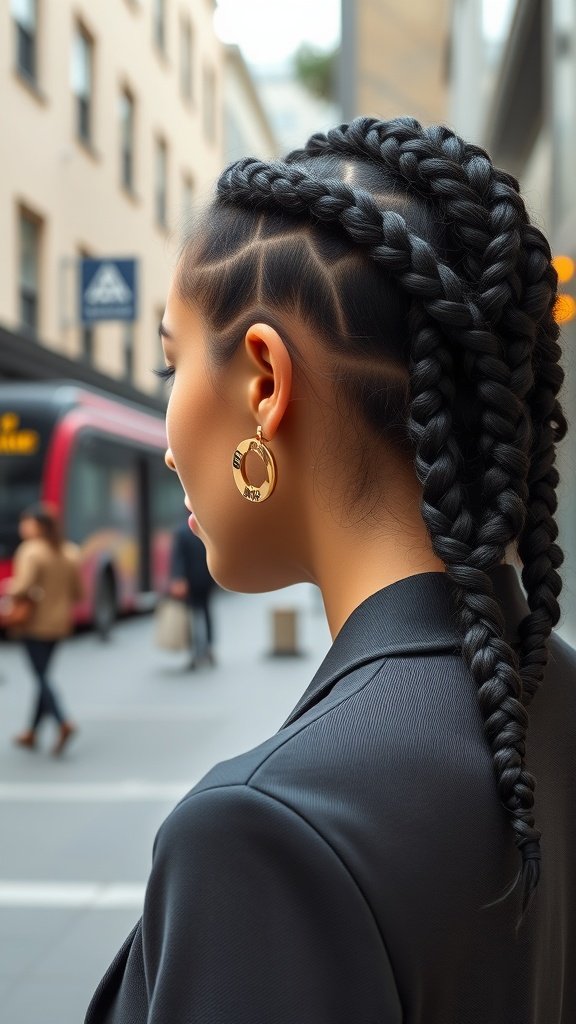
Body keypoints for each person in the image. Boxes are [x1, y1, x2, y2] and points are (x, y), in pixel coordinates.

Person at [86, 117, 576, 1023]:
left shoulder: (263, 834)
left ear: (265, 383)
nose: (164, 443)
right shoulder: (558, 693)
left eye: (169, 363)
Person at [6, 503, 82, 755]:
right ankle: (32, 732)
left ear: (37, 526)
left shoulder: (31, 551)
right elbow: (78, 592)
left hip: (35, 623)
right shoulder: (69, 551)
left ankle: (63, 722)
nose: (22, 527)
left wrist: (9, 586)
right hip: (60, 623)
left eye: (26, 522)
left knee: (41, 677)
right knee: (43, 675)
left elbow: (21, 587)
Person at [169, 516, 216, 667]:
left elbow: (178, 559)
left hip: (190, 582)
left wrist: (178, 578)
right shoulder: (208, 529)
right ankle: (209, 648)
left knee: (193, 616)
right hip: (207, 579)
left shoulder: (182, 532)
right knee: (207, 612)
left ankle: (195, 653)